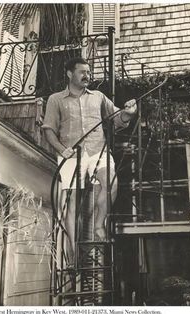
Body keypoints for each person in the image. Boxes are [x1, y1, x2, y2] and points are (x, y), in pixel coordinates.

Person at [42, 57, 137, 265]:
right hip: (71, 153)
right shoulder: (56, 99)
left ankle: (99, 224)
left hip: (97, 150)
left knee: (110, 183)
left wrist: (128, 114)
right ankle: (72, 253)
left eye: (89, 71)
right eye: (82, 72)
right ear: (69, 74)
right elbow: (49, 129)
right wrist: (61, 149)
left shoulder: (98, 97)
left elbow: (118, 119)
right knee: (72, 203)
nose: (87, 75)